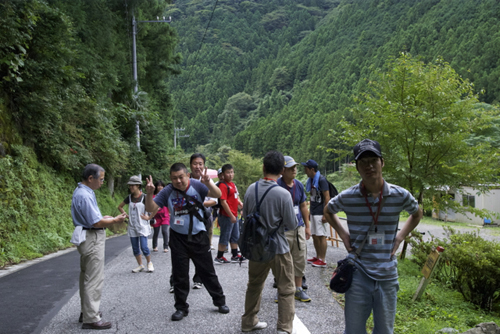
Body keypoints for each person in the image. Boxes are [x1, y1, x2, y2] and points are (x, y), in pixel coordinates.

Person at [324, 139, 423, 334]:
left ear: (382, 162)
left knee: (385, 330)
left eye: (373, 160)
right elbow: (328, 210)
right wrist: (344, 235)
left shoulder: (399, 195)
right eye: (363, 162)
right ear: (357, 167)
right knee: (354, 330)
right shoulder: (348, 196)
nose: (369, 166)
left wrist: (400, 237)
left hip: (387, 275)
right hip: (358, 272)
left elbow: (417, 213)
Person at [145, 163, 230, 321]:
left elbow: (217, 194)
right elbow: (151, 207)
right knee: (180, 274)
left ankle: (220, 301)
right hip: (178, 237)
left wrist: (208, 182)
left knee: (207, 272)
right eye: (174, 178)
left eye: (181, 177)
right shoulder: (168, 191)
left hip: (199, 236)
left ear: (187, 176)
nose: (178, 181)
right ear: (171, 179)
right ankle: (181, 307)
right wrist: (149, 194)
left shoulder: (197, 185)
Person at [241, 151, 296, 334]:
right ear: (282, 170)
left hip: (256, 246)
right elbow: (291, 224)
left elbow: (245, 216)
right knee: (286, 288)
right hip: (278, 247)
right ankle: (284, 328)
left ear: (263, 167)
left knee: (254, 284)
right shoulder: (283, 194)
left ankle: (248, 322)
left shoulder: (251, 189)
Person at [71, 164, 126, 330]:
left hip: (87, 236)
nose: (102, 182)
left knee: (86, 276)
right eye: (101, 179)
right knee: (94, 278)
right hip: (92, 237)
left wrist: (105, 218)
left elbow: (93, 218)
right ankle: (91, 318)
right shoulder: (85, 195)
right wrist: (115, 220)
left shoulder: (81, 192)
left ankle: (86, 311)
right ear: (90, 178)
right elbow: (96, 222)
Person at [277, 156, 312, 302]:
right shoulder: (277, 185)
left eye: (295, 167)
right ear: (282, 170)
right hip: (282, 229)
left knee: (299, 258)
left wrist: (307, 226)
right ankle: (282, 290)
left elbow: (303, 205)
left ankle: (298, 289)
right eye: (291, 168)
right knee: (283, 260)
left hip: (298, 228)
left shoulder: (298, 184)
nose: (294, 170)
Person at [189, 153, 218, 289]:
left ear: (204, 166)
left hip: (203, 218)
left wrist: (200, 204)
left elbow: (215, 199)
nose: (198, 167)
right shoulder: (184, 179)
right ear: (190, 165)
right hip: (186, 218)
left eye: (200, 164)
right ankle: (176, 281)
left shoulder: (207, 180)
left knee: (201, 250)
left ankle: (198, 278)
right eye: (195, 163)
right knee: (182, 251)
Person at [118, 175, 154, 273]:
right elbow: (120, 207)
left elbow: (155, 208)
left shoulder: (144, 197)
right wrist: (126, 215)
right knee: (135, 247)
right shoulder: (129, 198)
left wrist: (149, 217)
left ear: (138, 185)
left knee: (144, 246)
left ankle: (149, 263)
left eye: (133, 185)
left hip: (142, 226)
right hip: (132, 225)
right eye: (130, 185)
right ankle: (140, 265)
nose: (131, 187)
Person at [301, 159, 330, 268]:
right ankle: (318, 257)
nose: (305, 171)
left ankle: (322, 259)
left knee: (321, 236)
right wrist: (309, 212)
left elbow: (327, 197)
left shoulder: (321, 180)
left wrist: (325, 214)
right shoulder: (312, 180)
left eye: (306, 168)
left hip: (320, 211)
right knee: (315, 235)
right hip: (313, 211)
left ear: (312, 169)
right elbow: (312, 197)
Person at [215, 164, 245, 264]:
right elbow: (223, 202)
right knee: (225, 236)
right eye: (228, 173)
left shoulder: (232, 184)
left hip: (234, 214)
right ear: (223, 174)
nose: (230, 175)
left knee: (234, 235)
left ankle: (235, 255)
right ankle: (219, 257)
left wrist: (240, 204)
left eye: (232, 172)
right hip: (226, 215)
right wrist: (231, 215)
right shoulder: (223, 186)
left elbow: (236, 196)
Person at [151, 180, 170, 253]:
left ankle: (166, 246)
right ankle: (154, 246)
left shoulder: (166, 195)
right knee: (156, 232)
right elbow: (150, 206)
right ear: (156, 187)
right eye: (158, 186)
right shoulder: (153, 196)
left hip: (165, 216)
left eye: (161, 186)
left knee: (165, 231)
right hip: (156, 217)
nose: (160, 187)